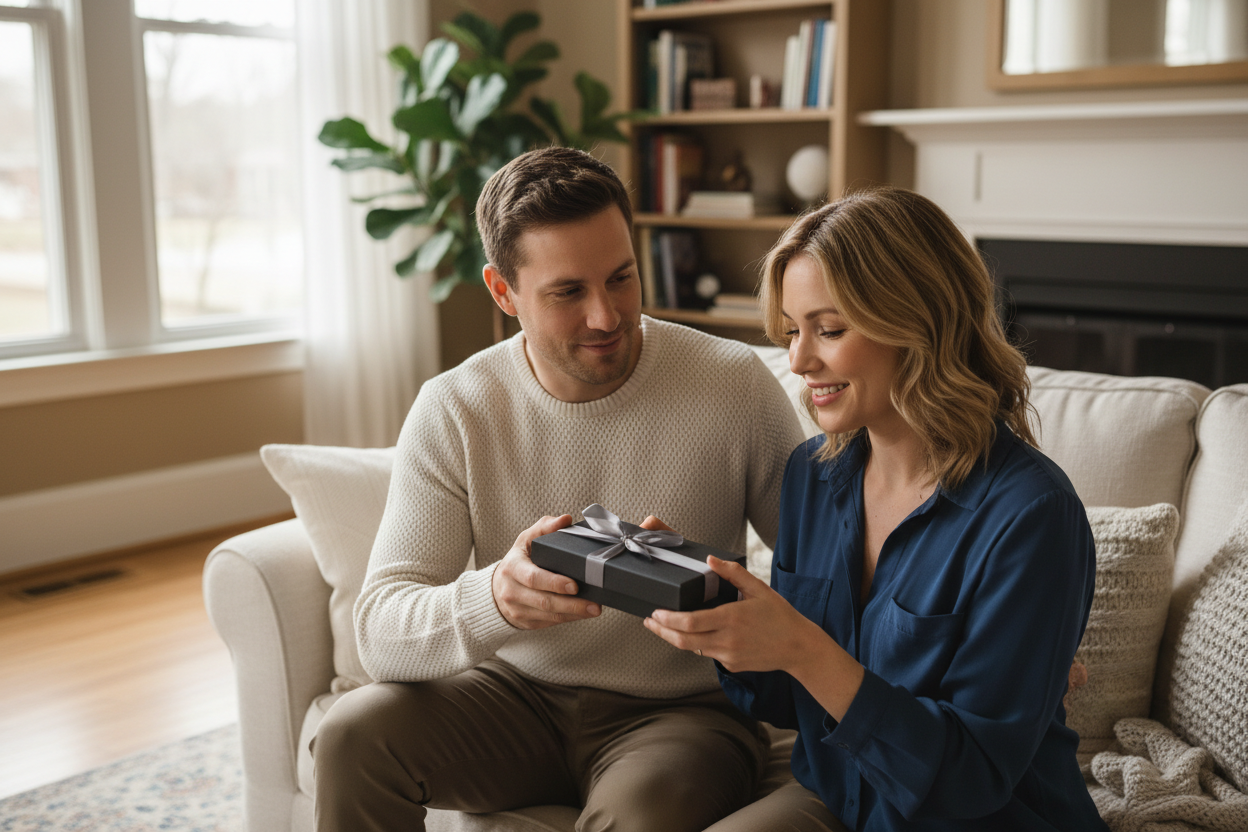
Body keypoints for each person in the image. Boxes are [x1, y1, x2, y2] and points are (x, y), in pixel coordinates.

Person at [309, 146, 806, 832]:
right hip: (513, 699)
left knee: (640, 816)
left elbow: (826, 575)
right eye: (568, 292)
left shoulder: (732, 383)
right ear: (502, 292)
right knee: (352, 735)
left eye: (622, 278)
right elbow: (380, 633)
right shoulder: (456, 407)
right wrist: (497, 597)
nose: (606, 316)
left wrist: (709, 585)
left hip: (684, 714)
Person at [645, 187, 1111, 831]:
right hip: (838, 799)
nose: (800, 360)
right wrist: (718, 603)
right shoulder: (812, 477)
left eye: (829, 330)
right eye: (792, 332)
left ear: (916, 322)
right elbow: (788, 699)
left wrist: (805, 648)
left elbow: (974, 776)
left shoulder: (1032, 516)